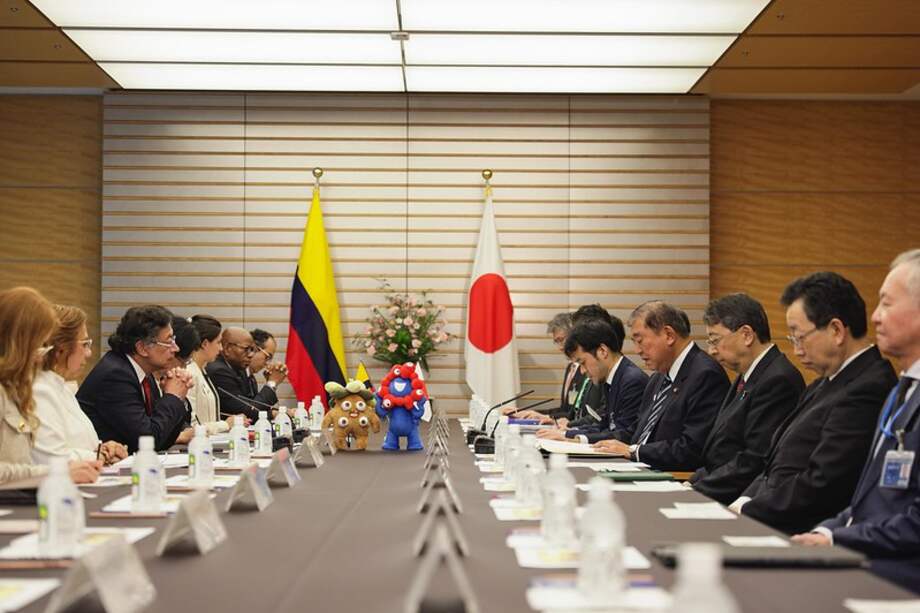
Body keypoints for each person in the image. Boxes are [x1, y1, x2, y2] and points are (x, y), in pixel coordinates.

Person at [791, 250, 920, 593]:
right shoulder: (900, 393)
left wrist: (838, 540)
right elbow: (868, 500)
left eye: (887, 304)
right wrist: (827, 531)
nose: (875, 317)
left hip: (899, 573)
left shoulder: (880, 387)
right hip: (871, 554)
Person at [731, 272, 896, 535]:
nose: (796, 350)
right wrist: (742, 502)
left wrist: (749, 510)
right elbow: (773, 465)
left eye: (799, 337)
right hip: (769, 516)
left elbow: (824, 482)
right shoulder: (824, 382)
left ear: (836, 330)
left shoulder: (868, 387)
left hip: (803, 531)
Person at [689, 294, 805, 504]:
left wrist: (696, 491)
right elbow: (720, 452)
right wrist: (691, 484)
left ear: (746, 335)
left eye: (715, 340)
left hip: (741, 500)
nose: (711, 350)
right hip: (718, 491)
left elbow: (753, 459)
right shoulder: (747, 375)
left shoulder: (777, 380)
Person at [593, 300, 729, 471]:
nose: (637, 350)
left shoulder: (705, 374)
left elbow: (692, 448)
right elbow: (636, 430)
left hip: (672, 476)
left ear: (669, 335)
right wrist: (589, 443)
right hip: (641, 468)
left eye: (640, 340)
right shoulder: (658, 378)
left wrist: (635, 451)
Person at [0, 287, 100, 484]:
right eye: (40, 346)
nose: (42, 357)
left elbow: (23, 463)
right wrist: (58, 473)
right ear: (18, 343)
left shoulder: (15, 390)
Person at [77, 305, 193, 452]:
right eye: (169, 341)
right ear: (142, 348)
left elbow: (163, 438)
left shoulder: (143, 372)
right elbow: (148, 441)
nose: (176, 348)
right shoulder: (116, 376)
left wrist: (177, 396)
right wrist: (173, 397)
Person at [32, 305, 128, 465]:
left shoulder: (62, 387)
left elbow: (78, 444)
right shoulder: (39, 391)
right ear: (61, 349)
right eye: (84, 344)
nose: (89, 353)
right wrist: (98, 456)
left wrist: (104, 449)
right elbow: (48, 456)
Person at [537, 318, 647, 444]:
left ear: (602, 351)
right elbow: (603, 425)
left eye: (583, 362)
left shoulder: (632, 380)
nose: (582, 371)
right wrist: (567, 434)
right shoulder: (611, 377)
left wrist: (574, 438)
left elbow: (624, 434)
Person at [207, 327, 287, 421]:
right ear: (228, 348)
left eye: (252, 350)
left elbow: (253, 407)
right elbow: (249, 413)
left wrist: (276, 412)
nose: (250, 355)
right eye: (246, 349)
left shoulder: (241, 372)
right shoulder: (219, 372)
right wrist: (271, 383)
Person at [513, 312, 576, 422]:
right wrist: (528, 413)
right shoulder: (571, 368)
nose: (560, 347)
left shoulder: (586, 370)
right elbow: (565, 410)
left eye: (561, 340)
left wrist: (544, 416)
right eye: (556, 342)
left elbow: (575, 414)